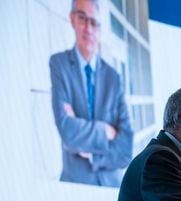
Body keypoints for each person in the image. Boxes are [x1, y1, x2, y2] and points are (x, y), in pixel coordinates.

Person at [49, 0, 133, 187]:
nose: (88, 28)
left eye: (94, 22)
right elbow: (67, 131)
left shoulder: (114, 77)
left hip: (112, 188)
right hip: (75, 185)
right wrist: (106, 131)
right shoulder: (59, 64)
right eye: (82, 18)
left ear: (100, 29)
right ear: (72, 19)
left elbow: (126, 149)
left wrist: (92, 154)